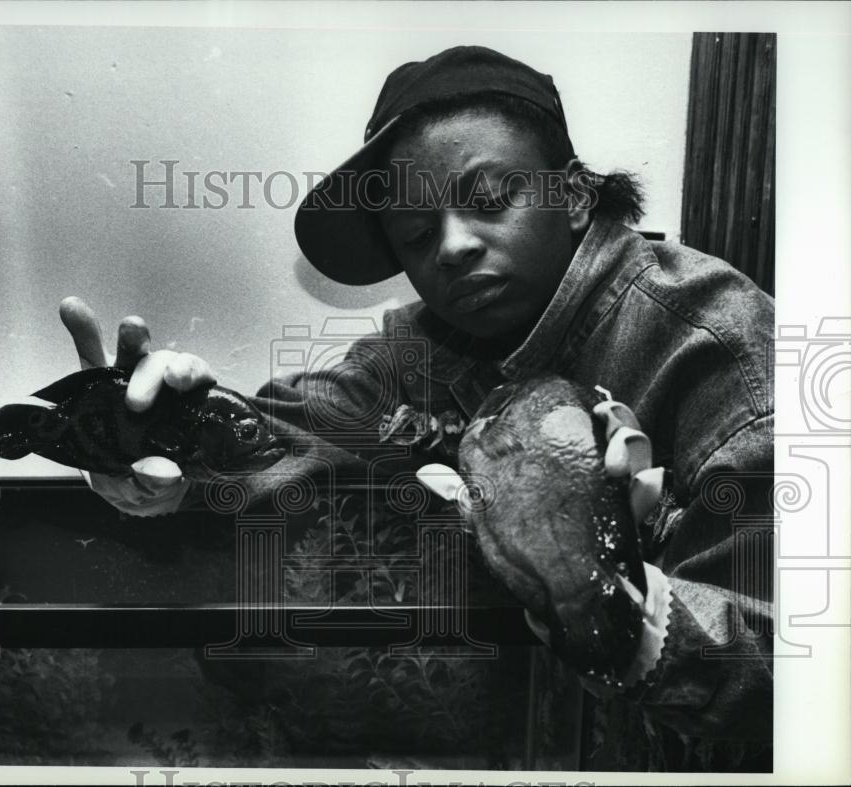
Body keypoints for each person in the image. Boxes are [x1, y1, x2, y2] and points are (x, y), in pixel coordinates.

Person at [61, 46, 773, 770]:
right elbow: (303, 423)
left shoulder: (717, 346)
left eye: (489, 200)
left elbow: (788, 654)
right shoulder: (426, 344)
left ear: (574, 196)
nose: (453, 246)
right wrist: (160, 433)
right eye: (417, 233)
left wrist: (610, 601)